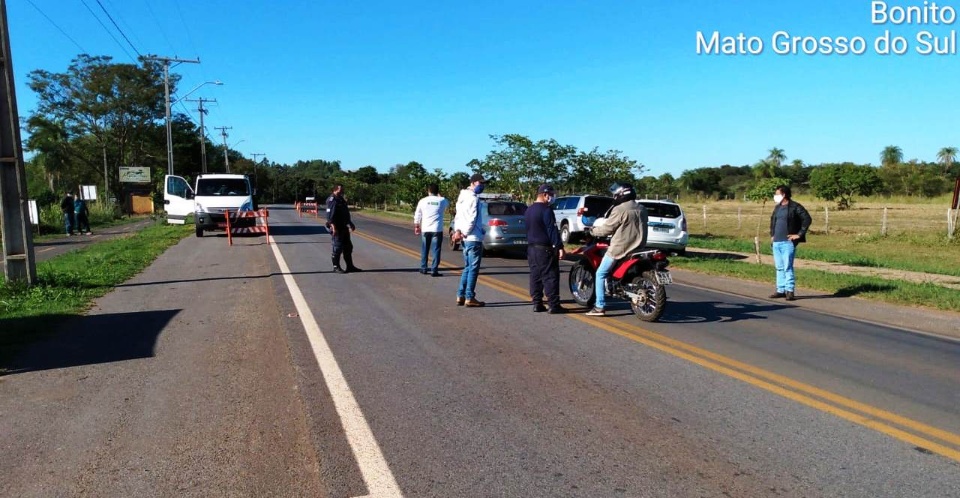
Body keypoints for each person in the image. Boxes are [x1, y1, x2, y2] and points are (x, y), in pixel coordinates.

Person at [585, 183, 648, 317]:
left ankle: (599, 306)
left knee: (600, 274)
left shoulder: (619, 209)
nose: (614, 196)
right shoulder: (642, 208)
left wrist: (592, 231)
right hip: (639, 248)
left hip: (620, 249)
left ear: (621, 194)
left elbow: (608, 228)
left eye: (615, 194)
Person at [525, 184, 566, 313]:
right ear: (545, 194)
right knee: (550, 276)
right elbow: (552, 229)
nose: (553, 197)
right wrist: (559, 246)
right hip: (544, 248)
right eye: (552, 194)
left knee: (535, 275)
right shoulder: (546, 210)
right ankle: (553, 305)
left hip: (532, 248)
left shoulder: (528, 210)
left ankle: (537, 303)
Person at [769, 185, 812, 301]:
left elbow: (807, 219)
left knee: (788, 267)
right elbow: (773, 221)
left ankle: (789, 290)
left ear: (784, 195)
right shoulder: (777, 208)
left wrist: (799, 234)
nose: (775, 196)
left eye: (777, 194)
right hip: (777, 242)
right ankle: (780, 290)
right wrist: (772, 235)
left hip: (787, 242)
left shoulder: (795, 207)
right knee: (779, 267)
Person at [452, 173, 486, 307]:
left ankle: (461, 294)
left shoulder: (461, 198)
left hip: (465, 237)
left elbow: (458, 218)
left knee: (467, 267)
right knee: (473, 268)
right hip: (472, 237)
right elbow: (471, 219)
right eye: (480, 183)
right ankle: (469, 296)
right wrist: (465, 232)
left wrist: (458, 232)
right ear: (473, 183)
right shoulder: (473, 199)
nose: (482, 186)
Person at [414, 183, 449, 277]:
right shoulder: (442, 200)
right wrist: (440, 195)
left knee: (425, 248)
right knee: (436, 249)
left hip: (425, 228)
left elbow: (418, 213)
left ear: (428, 191)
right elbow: (447, 204)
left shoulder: (423, 201)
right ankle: (434, 269)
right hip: (437, 229)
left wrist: (417, 225)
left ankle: (424, 268)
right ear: (438, 191)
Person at [326, 184, 362, 273]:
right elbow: (330, 215)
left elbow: (345, 213)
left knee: (348, 247)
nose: (342, 191)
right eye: (340, 189)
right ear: (335, 190)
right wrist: (333, 227)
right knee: (337, 247)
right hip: (336, 227)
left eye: (342, 189)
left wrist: (350, 223)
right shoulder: (332, 200)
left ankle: (350, 266)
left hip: (344, 226)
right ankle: (336, 267)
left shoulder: (341, 199)